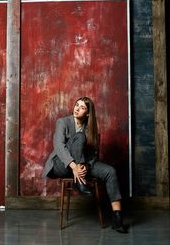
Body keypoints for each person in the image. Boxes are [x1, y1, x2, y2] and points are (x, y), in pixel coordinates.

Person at [43, 96, 128, 233]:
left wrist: (85, 166)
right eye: (77, 105)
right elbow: (59, 147)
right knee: (80, 137)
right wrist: (75, 167)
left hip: (82, 166)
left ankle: (118, 218)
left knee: (110, 171)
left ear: (88, 113)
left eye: (82, 107)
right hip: (61, 165)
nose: (77, 108)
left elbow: (93, 154)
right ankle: (79, 182)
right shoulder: (63, 122)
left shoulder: (90, 128)